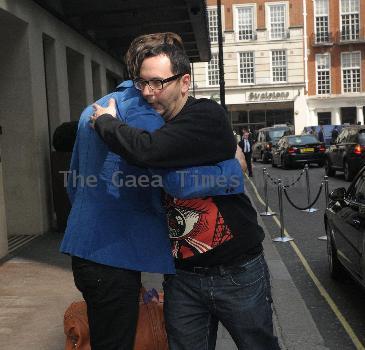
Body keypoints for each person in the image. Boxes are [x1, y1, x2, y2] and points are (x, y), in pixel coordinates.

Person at [91, 34, 279, 350]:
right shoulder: (151, 123)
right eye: (142, 83)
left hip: (237, 272)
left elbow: (149, 152)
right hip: (182, 277)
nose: (149, 93)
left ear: (185, 82)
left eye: (158, 83)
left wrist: (106, 123)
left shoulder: (205, 115)